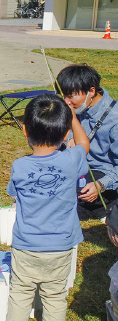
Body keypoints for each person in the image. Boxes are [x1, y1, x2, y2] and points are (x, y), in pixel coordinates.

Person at [6, 93, 89, 321]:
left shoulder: (19, 166)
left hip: (26, 245)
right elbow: (83, 144)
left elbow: (13, 194)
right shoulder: (72, 160)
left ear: (25, 131)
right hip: (60, 246)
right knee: (54, 296)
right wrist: (72, 116)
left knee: (20, 295)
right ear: (65, 135)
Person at [57, 64, 118, 219]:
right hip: (77, 168)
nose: (66, 102)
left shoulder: (115, 119)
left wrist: (101, 185)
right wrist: (69, 139)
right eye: (63, 95)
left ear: (91, 91)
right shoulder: (75, 108)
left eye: (70, 96)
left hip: (104, 174)